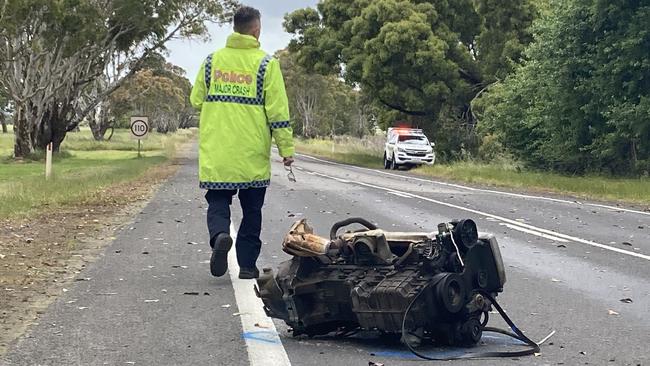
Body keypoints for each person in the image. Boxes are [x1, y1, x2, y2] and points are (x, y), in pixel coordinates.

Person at [190, 5, 294, 280]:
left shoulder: (212, 61)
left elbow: (195, 99)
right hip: (251, 154)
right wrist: (287, 150)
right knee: (252, 210)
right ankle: (247, 266)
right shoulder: (266, 64)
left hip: (218, 152)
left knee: (218, 202)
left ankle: (221, 235)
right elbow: (278, 113)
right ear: (256, 30)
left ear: (234, 28)